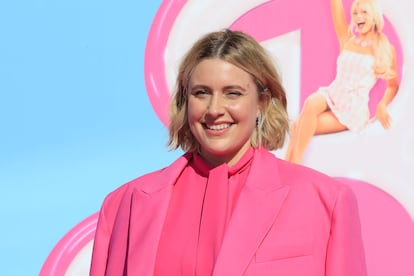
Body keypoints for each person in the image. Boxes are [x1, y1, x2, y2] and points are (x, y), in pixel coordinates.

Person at [90, 29, 366, 275]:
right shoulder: (123, 206)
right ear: (185, 102)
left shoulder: (325, 201)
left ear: (262, 102)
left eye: (232, 93)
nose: (214, 109)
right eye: (201, 93)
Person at [285, 0, 399, 164]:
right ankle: (291, 168)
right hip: (332, 94)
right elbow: (336, 6)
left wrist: (382, 105)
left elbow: (392, 85)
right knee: (310, 102)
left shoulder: (386, 48)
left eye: (364, 12)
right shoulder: (348, 39)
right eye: (355, 13)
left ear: (373, 15)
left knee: (298, 126)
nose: (358, 16)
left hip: (352, 109)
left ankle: (287, 170)